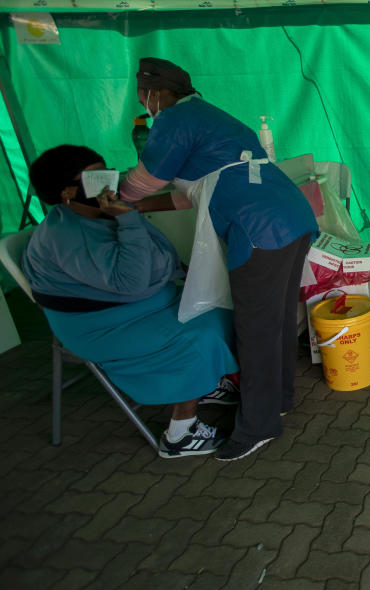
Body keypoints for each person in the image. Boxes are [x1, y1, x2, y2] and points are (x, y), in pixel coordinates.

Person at [116, 57, 321, 462]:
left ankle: (259, 426)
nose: (142, 103)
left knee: (255, 329)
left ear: (153, 93)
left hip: (260, 230)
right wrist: (140, 209)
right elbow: (191, 192)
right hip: (290, 218)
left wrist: (116, 198)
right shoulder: (209, 116)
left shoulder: (173, 119)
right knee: (276, 320)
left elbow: (147, 178)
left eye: (142, 96)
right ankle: (277, 399)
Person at [21, 145, 238, 458]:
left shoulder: (98, 212)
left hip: (135, 306)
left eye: (106, 171)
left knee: (217, 304)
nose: (108, 182)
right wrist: (129, 221)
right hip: (102, 327)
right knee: (204, 330)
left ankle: (201, 383)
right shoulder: (67, 238)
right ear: (68, 192)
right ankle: (180, 433)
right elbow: (132, 281)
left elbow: (157, 258)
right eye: (94, 177)